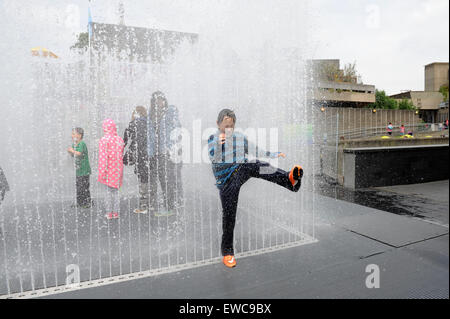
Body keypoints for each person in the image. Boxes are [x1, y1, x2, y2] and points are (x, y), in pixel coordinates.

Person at [208, 109, 303, 268]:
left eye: (232, 125)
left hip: (241, 170)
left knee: (256, 165)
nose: (229, 129)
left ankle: (289, 179)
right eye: (226, 126)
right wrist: (219, 143)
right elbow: (212, 155)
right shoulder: (214, 138)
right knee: (229, 215)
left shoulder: (239, 137)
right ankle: (228, 252)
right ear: (218, 125)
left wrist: (272, 154)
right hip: (226, 182)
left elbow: (254, 150)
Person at [147, 91, 183, 217]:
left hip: (168, 152)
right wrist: (150, 154)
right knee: (162, 180)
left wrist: (171, 147)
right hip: (156, 153)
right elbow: (150, 136)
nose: (159, 102)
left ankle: (170, 207)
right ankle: (170, 205)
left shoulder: (169, 113)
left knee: (169, 179)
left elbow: (177, 128)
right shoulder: (150, 116)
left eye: (161, 100)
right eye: (156, 100)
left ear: (164, 101)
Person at [123, 106, 150, 214]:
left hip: (140, 156)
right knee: (148, 180)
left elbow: (126, 140)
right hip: (149, 156)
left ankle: (143, 207)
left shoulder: (133, 124)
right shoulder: (149, 124)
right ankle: (150, 205)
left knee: (143, 181)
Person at [98, 119, 125, 220]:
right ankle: (116, 213)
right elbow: (121, 154)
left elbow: (103, 158)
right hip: (118, 169)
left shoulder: (104, 140)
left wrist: (102, 172)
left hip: (108, 169)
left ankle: (109, 213)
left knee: (108, 192)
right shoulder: (119, 139)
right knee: (116, 191)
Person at [68, 127, 92, 208]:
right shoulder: (74, 144)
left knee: (84, 186)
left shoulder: (82, 143)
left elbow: (79, 153)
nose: (72, 135)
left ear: (79, 135)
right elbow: (74, 155)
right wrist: (70, 152)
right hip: (78, 170)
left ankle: (87, 202)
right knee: (78, 186)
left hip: (84, 170)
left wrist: (72, 151)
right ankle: (79, 202)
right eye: (72, 134)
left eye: (73, 134)